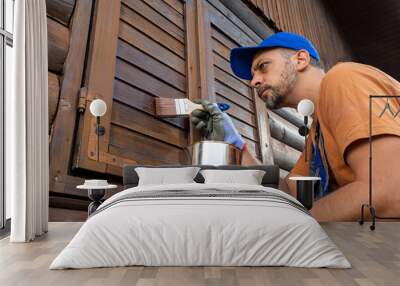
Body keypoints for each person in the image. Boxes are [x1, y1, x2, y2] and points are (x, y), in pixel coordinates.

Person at [190, 32, 400, 221]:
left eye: (263, 66)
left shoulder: (343, 79)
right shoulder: (317, 136)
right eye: (253, 75)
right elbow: (289, 191)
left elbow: (388, 192)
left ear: (300, 59)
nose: (254, 81)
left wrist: (292, 226)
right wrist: (235, 145)